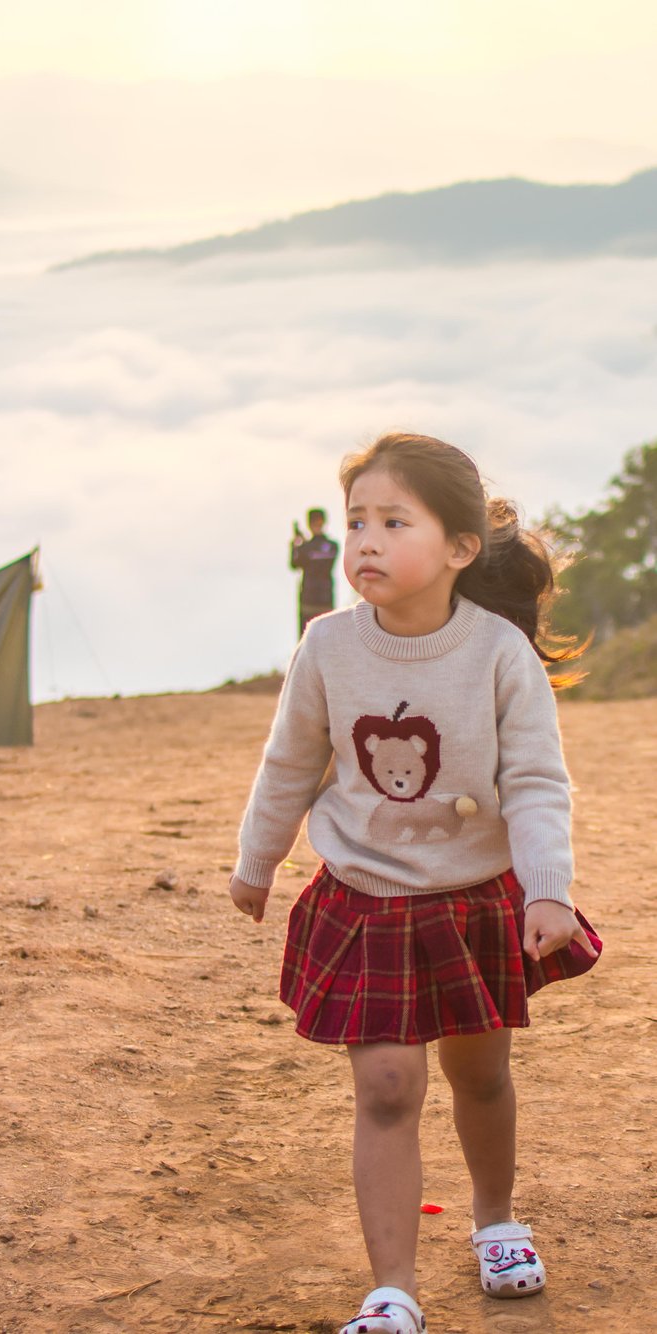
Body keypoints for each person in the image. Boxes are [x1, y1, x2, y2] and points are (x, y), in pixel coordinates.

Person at [230, 432, 601, 1334]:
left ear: (459, 547)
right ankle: (391, 1291)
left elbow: (536, 781)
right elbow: (290, 764)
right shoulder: (326, 646)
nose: (365, 541)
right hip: (368, 902)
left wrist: (546, 888)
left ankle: (495, 1221)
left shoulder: (498, 654)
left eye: (394, 522)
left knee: (480, 1075)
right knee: (388, 1088)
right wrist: (257, 860)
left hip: (474, 898)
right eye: (357, 520)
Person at [290, 507, 339, 637]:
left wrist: (299, 546)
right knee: (306, 640)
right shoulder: (329, 546)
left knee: (325, 641)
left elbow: (297, 563)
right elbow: (294, 565)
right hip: (309, 601)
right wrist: (296, 546)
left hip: (323, 600)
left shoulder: (330, 545)